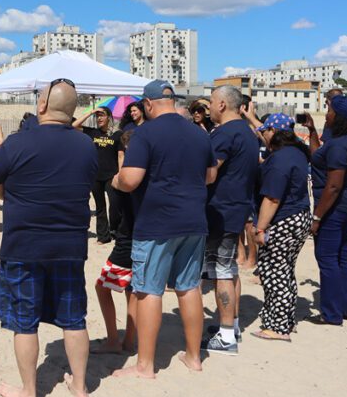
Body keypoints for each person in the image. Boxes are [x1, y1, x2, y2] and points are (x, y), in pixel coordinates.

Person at [0, 78, 97, 397]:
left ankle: (29, 392)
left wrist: (14, 195)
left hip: (24, 244)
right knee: (74, 318)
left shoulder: (18, 142)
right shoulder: (86, 145)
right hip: (70, 245)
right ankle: (80, 387)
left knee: (24, 322)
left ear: (43, 105)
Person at [112, 80, 216, 377]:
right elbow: (210, 176)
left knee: (148, 290)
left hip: (156, 223)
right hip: (193, 220)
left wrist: (117, 181)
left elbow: (130, 179)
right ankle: (194, 357)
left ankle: (145, 365)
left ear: (148, 104)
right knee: (189, 287)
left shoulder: (145, 133)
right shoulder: (199, 133)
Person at [202, 85, 259, 355]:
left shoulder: (225, 133)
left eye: (211, 102)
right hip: (236, 207)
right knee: (229, 268)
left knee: (221, 270)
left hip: (221, 209)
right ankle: (231, 326)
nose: (209, 108)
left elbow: (209, 172)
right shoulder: (246, 131)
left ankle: (226, 336)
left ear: (222, 104)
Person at [249, 114, 312, 341]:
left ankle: (278, 327)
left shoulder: (280, 159)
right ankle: (284, 319)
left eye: (265, 131)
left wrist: (260, 229)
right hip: (299, 217)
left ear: (274, 132)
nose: (263, 135)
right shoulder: (296, 152)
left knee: (274, 271)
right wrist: (250, 116)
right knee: (285, 270)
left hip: (284, 219)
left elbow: (272, 198)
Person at [302, 95, 347, 326]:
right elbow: (318, 157)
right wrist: (312, 131)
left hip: (334, 207)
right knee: (341, 256)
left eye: (330, 111)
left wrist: (317, 216)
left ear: (340, 117)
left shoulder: (339, 145)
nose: (327, 114)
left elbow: (334, 186)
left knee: (327, 257)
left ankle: (331, 314)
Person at [92, 129, 137, 354]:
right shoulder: (152, 175)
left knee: (102, 287)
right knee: (132, 290)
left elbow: (116, 215)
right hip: (145, 239)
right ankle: (128, 341)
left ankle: (113, 340)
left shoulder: (121, 181)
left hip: (126, 241)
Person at [72, 105, 119, 244]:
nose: (99, 118)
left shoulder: (117, 134)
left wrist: (120, 173)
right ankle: (103, 236)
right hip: (95, 175)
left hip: (112, 175)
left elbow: (121, 155)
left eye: (102, 115)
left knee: (115, 204)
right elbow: (73, 125)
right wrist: (90, 112)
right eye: (97, 116)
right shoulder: (93, 132)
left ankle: (115, 230)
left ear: (109, 117)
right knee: (100, 207)